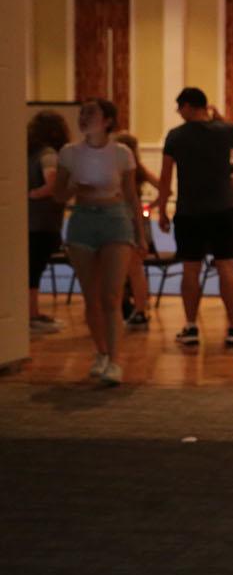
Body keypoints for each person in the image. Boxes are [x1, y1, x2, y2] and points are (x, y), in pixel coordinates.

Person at [54, 99, 140, 384]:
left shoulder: (121, 153)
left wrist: (140, 233)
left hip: (114, 218)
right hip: (81, 219)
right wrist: (74, 187)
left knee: (111, 296)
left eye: (91, 113)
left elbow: (131, 196)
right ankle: (101, 352)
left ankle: (115, 360)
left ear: (107, 121)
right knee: (91, 297)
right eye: (82, 113)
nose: (84, 118)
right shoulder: (69, 153)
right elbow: (58, 196)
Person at [153, 86, 233, 347]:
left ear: (189, 106)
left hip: (188, 211)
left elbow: (165, 175)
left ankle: (191, 326)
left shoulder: (176, 136)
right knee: (226, 266)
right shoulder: (226, 131)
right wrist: (218, 118)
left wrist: (161, 209)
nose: (178, 112)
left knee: (190, 268)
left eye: (179, 107)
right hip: (222, 209)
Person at [26, 110, 70, 334]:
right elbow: (53, 184)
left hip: (31, 222)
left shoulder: (29, 154)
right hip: (43, 222)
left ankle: (32, 312)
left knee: (31, 270)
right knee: (33, 270)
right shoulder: (49, 154)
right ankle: (31, 315)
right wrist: (33, 194)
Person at [111, 123, 158, 329]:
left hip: (121, 219)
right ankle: (140, 310)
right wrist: (151, 205)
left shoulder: (117, 168)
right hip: (138, 219)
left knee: (122, 270)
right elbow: (164, 188)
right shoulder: (139, 169)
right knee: (135, 269)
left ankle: (126, 309)